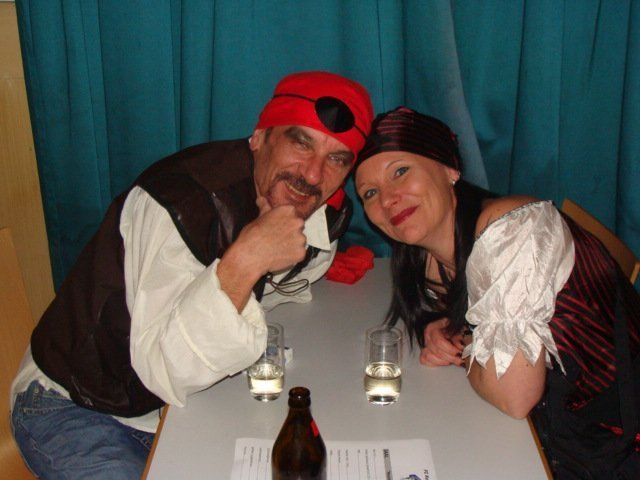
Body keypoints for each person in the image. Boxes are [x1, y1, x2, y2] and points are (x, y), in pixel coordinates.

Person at [10, 71, 374, 479]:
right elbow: (164, 370)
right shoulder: (181, 202)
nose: (313, 174)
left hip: (182, 410)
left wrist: (304, 266)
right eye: (301, 143)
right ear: (259, 137)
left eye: (336, 159)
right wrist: (247, 258)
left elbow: (286, 280)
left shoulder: (320, 211)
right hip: (75, 404)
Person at [354, 106, 640, 479]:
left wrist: (466, 347)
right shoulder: (426, 258)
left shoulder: (513, 229)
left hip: (613, 435)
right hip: (556, 428)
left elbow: (514, 396)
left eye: (400, 172)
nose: (388, 199)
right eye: (370, 192)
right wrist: (440, 327)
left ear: (449, 169)